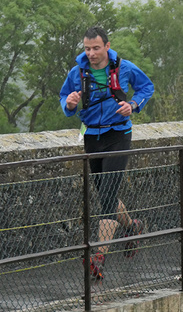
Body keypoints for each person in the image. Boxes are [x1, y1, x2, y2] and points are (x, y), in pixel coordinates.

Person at [60, 26, 154, 280]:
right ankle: (133, 227)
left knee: (109, 194)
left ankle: (98, 257)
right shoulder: (77, 72)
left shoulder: (125, 68)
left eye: (95, 48)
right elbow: (65, 98)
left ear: (107, 46)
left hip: (118, 134)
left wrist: (132, 105)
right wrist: (69, 104)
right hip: (92, 136)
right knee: (105, 194)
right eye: (87, 48)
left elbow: (147, 88)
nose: (91, 53)